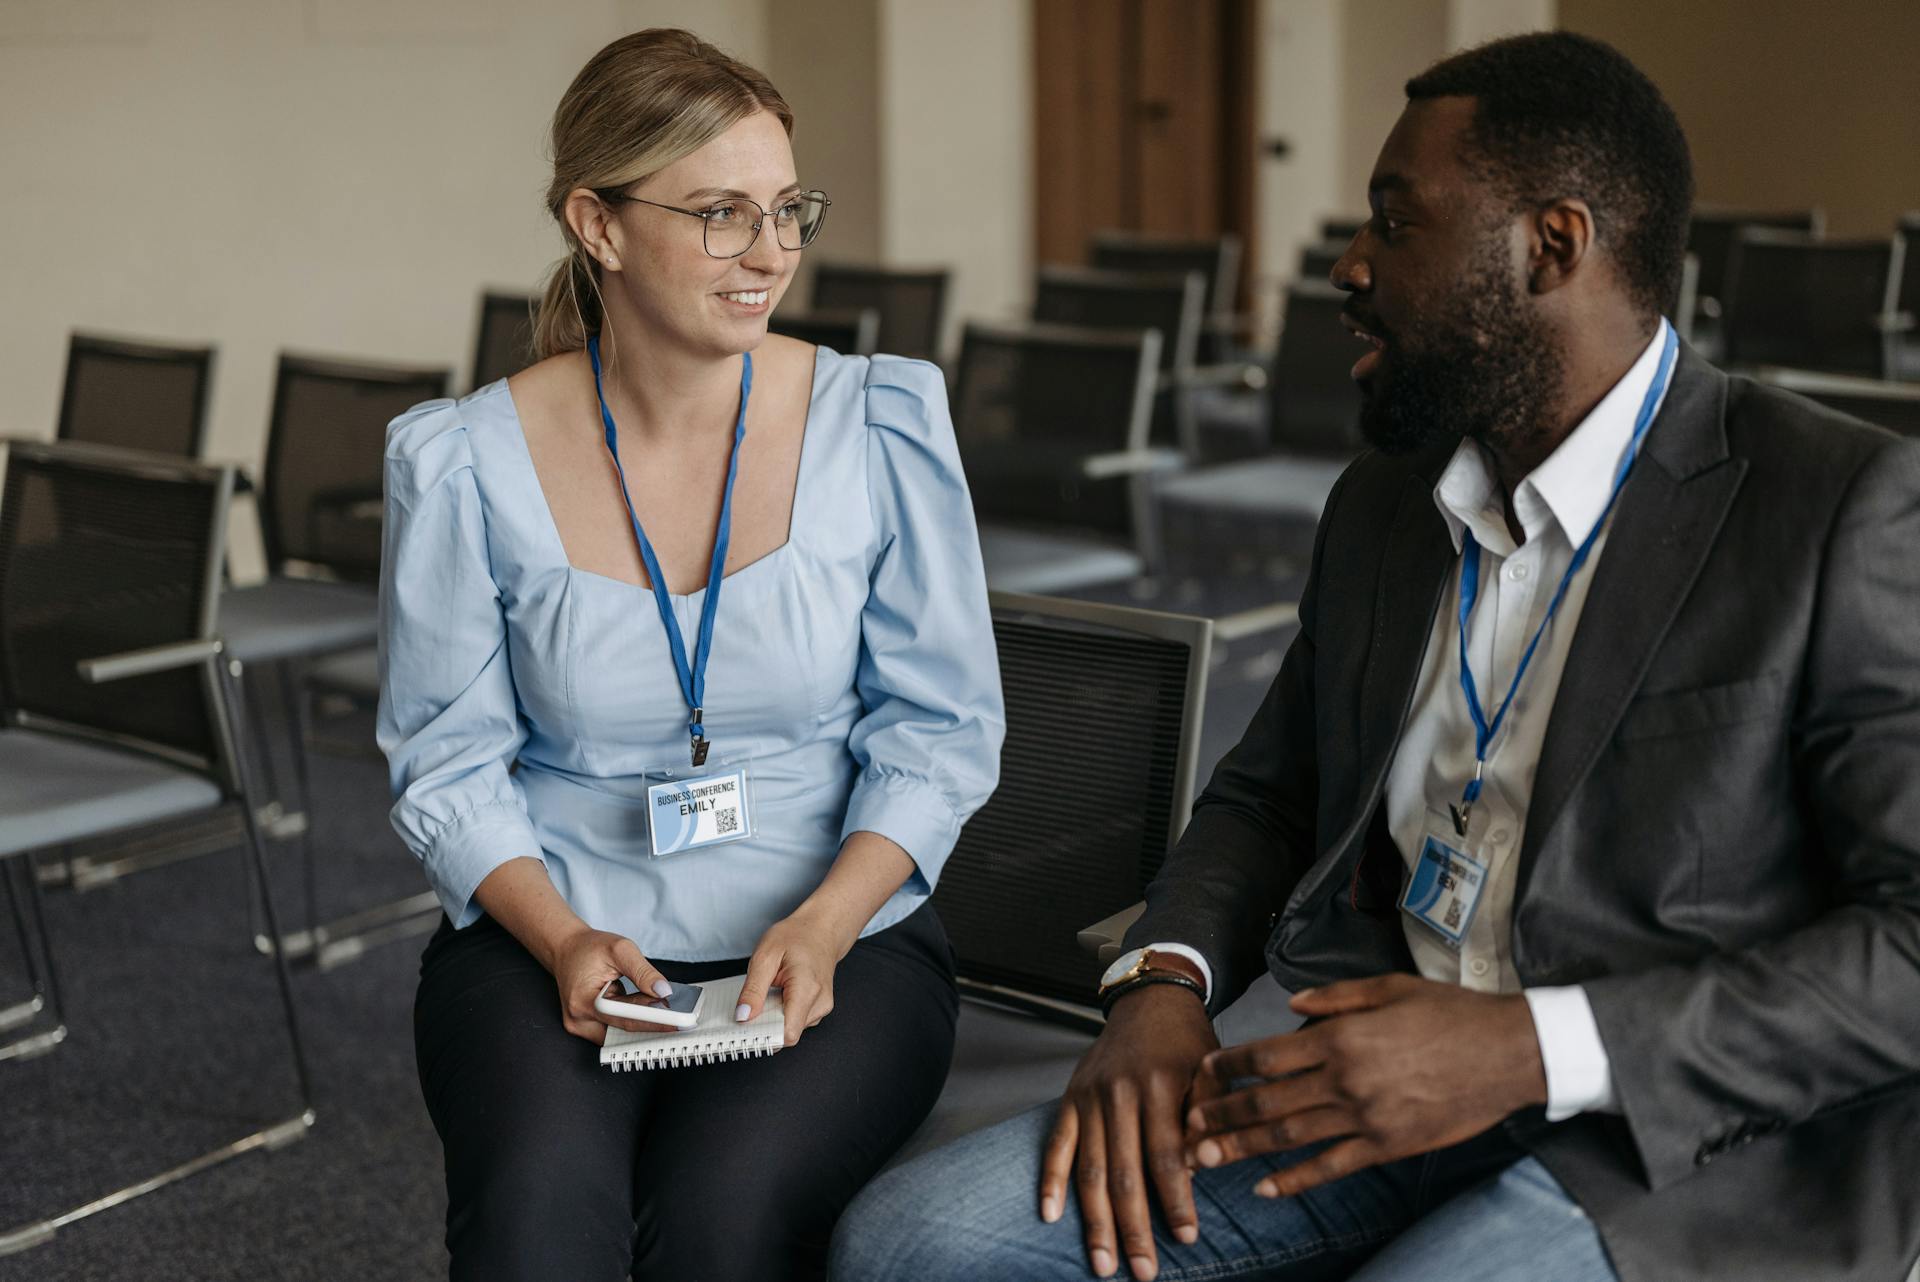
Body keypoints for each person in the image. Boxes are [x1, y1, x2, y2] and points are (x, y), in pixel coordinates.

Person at [830, 30, 1920, 1282]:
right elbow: (1268, 794)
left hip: (1684, 1137)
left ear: (1549, 247)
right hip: (1377, 1078)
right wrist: (1162, 982)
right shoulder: (1388, 504)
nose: (1347, 266)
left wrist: (1528, 1046)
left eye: (1395, 224)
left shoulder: (1837, 506)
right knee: (906, 1247)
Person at [376, 28, 1002, 1281]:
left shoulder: (880, 420)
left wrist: (827, 921)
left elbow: (937, 734)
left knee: (720, 1222)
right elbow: (449, 763)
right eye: (721, 215)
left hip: (841, 936)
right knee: (535, 1223)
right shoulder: (460, 461)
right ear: (595, 225)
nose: (772, 254)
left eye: (786, 210)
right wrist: (560, 938)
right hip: (550, 930)